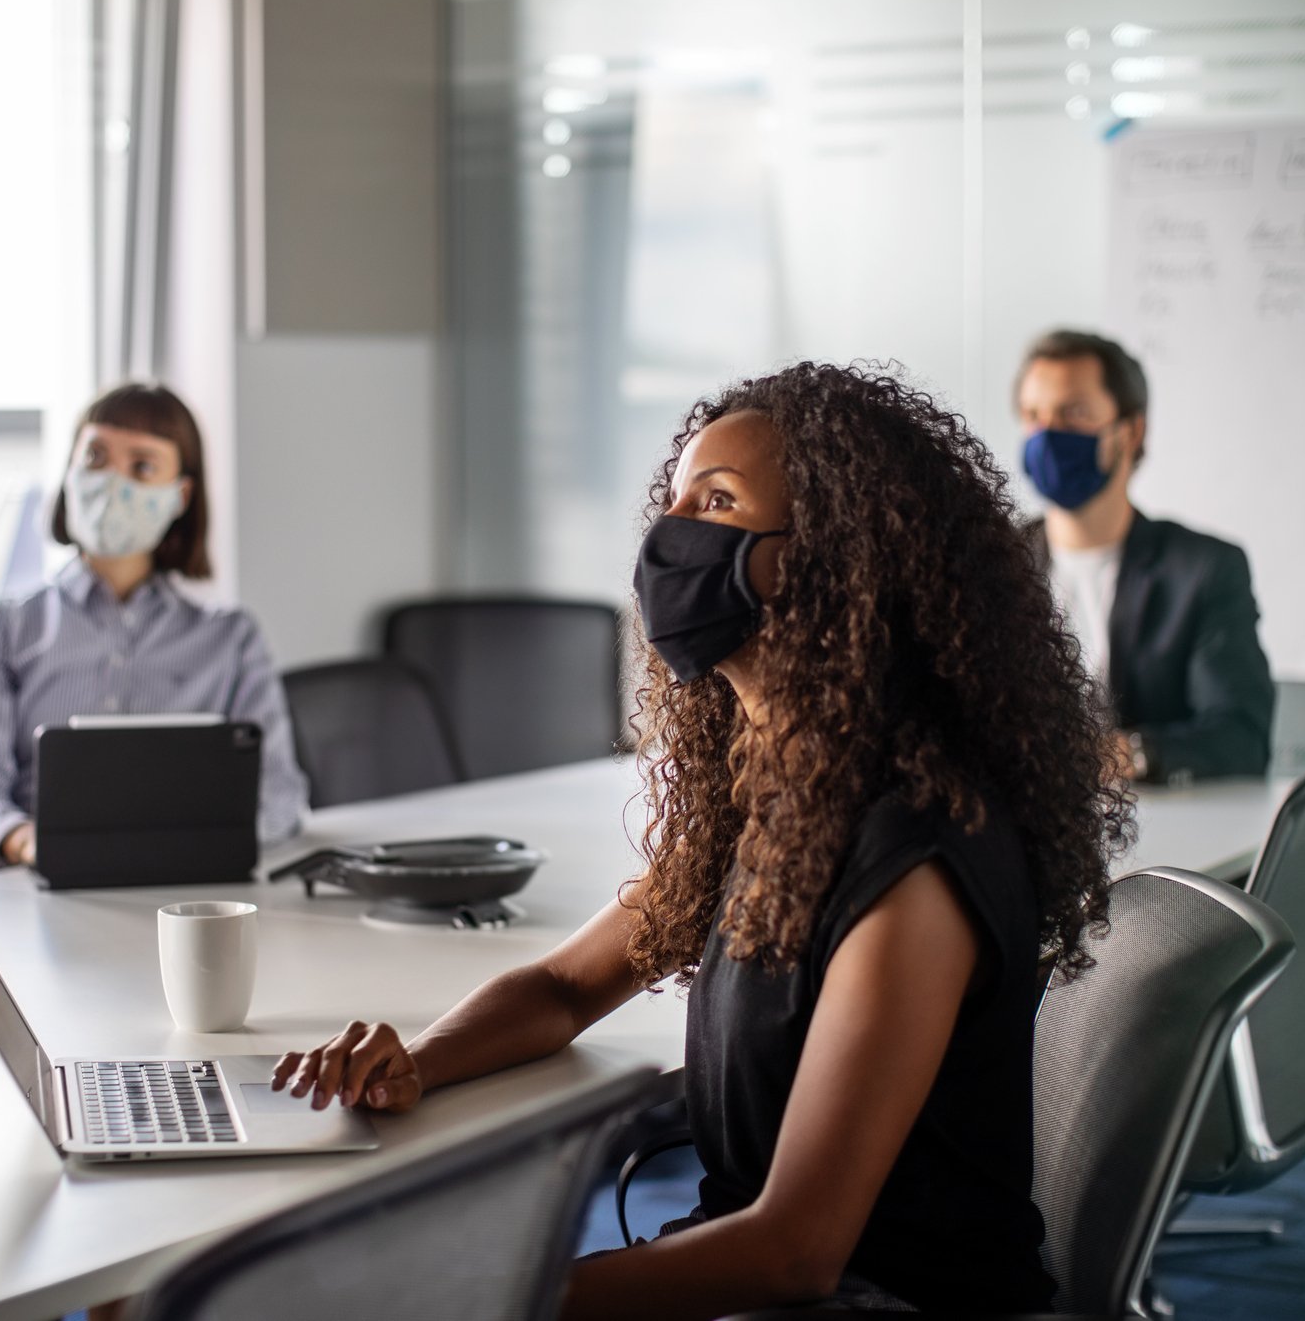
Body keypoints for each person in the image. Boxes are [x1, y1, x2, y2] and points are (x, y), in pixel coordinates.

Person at [271, 364, 1128, 1318]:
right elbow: (561, 987)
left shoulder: (916, 854)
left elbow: (794, 1252)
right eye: (673, 500)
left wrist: (488, 1300)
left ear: (830, 560)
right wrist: (420, 1060)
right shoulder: (775, 801)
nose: (670, 537)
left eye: (715, 502)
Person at [0, 383, 308, 869]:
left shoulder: (230, 639)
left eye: (142, 467)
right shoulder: (1, 628)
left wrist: (184, 844)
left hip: (188, 891)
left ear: (181, 496)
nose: (113, 481)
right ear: (69, 471)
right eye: (95, 457)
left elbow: (279, 793)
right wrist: (26, 840)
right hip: (33, 886)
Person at [1014, 328, 1275, 783]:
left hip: (1149, 830)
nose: (1048, 435)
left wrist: (1122, 755)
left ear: (1130, 432)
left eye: (1074, 413)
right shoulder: (993, 562)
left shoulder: (1203, 570)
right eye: (1034, 415)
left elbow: (1241, 736)